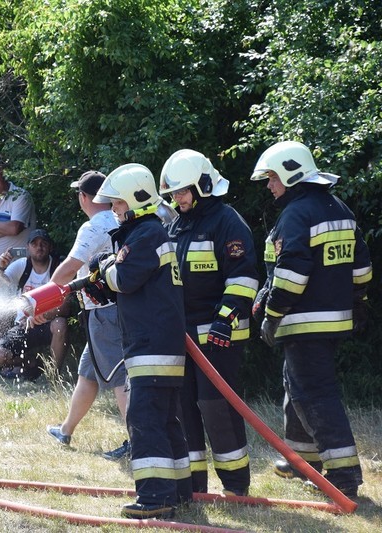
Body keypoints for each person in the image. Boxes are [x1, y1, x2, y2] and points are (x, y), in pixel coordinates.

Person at [250, 140, 372, 498]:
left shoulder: (296, 215)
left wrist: (271, 315)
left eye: (272, 178)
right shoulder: (340, 209)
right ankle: (303, 461)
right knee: (296, 387)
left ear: (291, 174)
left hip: (303, 321)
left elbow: (290, 276)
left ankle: (345, 474)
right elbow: (362, 269)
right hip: (334, 319)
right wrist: (357, 302)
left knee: (313, 394)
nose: (269, 186)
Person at [85, 163, 191, 519]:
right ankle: (179, 491)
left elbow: (125, 279)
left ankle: (155, 496)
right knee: (164, 419)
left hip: (151, 346)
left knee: (144, 419)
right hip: (159, 343)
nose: (114, 211)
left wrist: (105, 264)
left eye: (116, 205)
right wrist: (106, 270)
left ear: (134, 201)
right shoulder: (150, 233)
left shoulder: (145, 235)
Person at [159, 149, 259, 497]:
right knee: (184, 408)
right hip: (184, 337)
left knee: (216, 407)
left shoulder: (227, 221)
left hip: (219, 337)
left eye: (183, 191)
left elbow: (244, 278)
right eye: (173, 193)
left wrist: (224, 320)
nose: (178, 198)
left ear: (203, 186)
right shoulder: (176, 225)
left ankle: (235, 487)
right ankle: (193, 487)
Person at [43, 171, 130, 460]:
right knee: (88, 373)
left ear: (85, 197)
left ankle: (138, 442)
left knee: (119, 377)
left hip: (105, 313)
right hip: (109, 311)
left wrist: (41, 298)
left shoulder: (93, 226)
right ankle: (66, 430)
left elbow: (69, 268)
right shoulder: (120, 220)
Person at [0, 229, 68, 381]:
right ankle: (31, 364)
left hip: (49, 324)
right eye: (34, 243)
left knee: (61, 323)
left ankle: (52, 377)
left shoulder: (58, 268)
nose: (39, 247)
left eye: (43, 243)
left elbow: (66, 306)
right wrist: (0, 266)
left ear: (50, 247)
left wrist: (43, 315)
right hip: (23, 325)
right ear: (28, 248)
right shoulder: (21, 265)